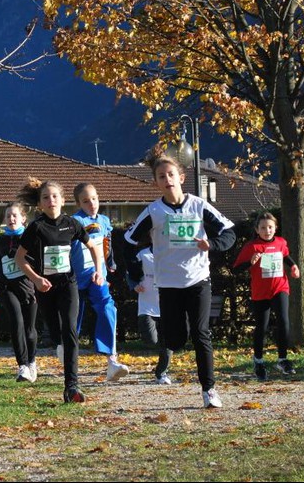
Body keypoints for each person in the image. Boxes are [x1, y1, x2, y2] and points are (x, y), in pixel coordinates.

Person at [125, 146, 235, 409]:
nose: (167, 179)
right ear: (156, 182)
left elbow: (229, 232)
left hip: (198, 280)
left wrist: (213, 245)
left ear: (181, 177)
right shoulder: (153, 211)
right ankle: (176, 339)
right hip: (168, 284)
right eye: (161, 176)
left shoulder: (198, 205)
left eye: (171, 174)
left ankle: (209, 390)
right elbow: (128, 241)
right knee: (176, 338)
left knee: (201, 333)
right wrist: (134, 274)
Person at [14, 178, 105, 403]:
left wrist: (98, 271)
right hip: (45, 287)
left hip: (68, 284)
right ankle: (59, 345)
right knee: (56, 333)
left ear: (63, 201)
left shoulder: (72, 224)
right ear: (40, 205)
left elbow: (93, 247)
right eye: (46, 197)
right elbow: (19, 258)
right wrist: (36, 279)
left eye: (55, 196)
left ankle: (71, 387)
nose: (51, 200)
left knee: (70, 330)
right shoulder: (36, 227)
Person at [70, 183, 130, 382]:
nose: (92, 203)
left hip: (98, 276)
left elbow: (107, 243)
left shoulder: (104, 220)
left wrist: (109, 264)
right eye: (86, 201)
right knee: (72, 319)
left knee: (107, 309)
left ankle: (112, 360)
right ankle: (67, 353)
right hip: (77, 279)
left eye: (94, 198)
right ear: (78, 203)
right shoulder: (74, 221)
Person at [232, 211, 301, 381]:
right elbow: (235, 269)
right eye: (263, 228)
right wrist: (251, 262)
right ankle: (259, 360)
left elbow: (285, 255)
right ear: (257, 230)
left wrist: (293, 266)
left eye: (270, 227)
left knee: (284, 321)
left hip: (279, 288)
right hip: (260, 292)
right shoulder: (251, 247)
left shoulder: (280, 242)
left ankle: (282, 359)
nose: (267, 230)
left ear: (275, 228)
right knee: (261, 326)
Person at [0, 203, 39, 382]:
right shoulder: (0, 243)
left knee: (29, 329)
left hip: (29, 288)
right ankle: (22, 366)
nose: (11, 219)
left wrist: (19, 255)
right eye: (8, 216)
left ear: (23, 218)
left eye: (14, 215)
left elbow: (38, 261)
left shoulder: (30, 237)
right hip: (8, 289)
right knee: (17, 324)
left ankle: (31, 362)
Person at [130, 245, 174, 384]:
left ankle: (161, 373)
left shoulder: (173, 253)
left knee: (168, 342)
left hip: (168, 306)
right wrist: (134, 284)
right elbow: (130, 272)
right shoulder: (142, 255)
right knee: (151, 340)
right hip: (147, 306)